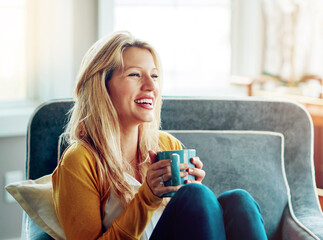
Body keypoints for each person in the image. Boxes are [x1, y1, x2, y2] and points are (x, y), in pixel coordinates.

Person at [52, 31, 268, 240]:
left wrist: (197, 199)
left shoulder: (166, 144)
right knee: (195, 196)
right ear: (101, 86)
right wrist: (148, 197)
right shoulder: (80, 160)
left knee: (239, 201)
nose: (151, 85)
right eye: (135, 74)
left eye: (154, 76)